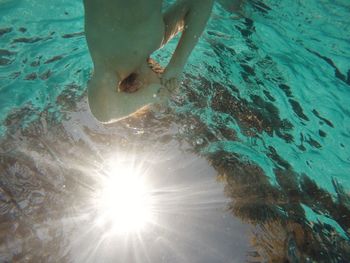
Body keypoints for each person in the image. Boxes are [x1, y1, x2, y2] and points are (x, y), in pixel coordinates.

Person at [83, 0, 214, 123]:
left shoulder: (110, 68)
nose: (161, 95)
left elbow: (103, 112)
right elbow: (201, 2)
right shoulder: (159, 38)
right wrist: (177, 64)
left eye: (137, 103)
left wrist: (150, 96)